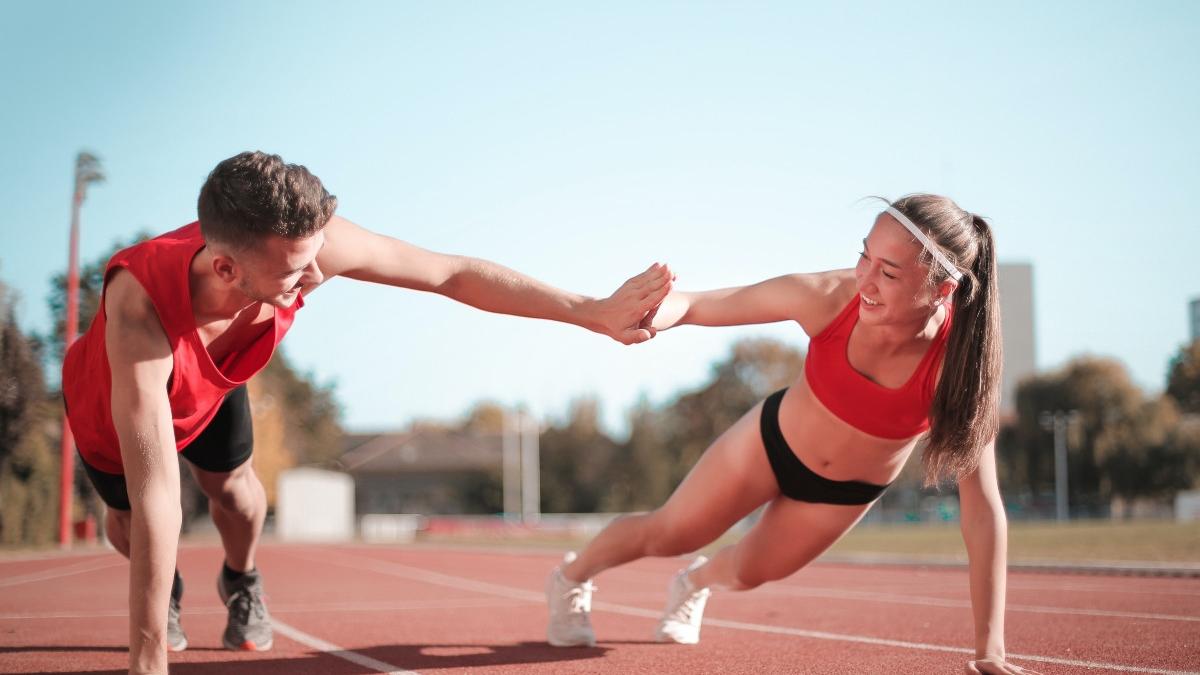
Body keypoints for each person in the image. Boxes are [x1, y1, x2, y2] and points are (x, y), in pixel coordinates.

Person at [62, 150, 673, 675]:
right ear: (225, 268)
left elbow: (451, 274)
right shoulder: (139, 308)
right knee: (133, 523)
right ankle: (165, 591)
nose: (314, 277)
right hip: (115, 400)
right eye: (295, 273)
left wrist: (587, 309)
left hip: (213, 382)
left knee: (241, 499)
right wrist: (147, 659)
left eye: (314, 257)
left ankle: (240, 580)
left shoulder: (310, 245)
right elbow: (157, 490)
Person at [545, 194, 1036, 675]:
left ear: (940, 290)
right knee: (671, 532)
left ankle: (693, 584)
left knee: (752, 571)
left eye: (888, 273)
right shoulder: (826, 296)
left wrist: (988, 646)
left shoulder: (961, 369)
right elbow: (696, 304)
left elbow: (982, 508)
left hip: (843, 493)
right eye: (863, 255)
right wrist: (651, 315)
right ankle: (571, 576)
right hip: (770, 443)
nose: (864, 279)